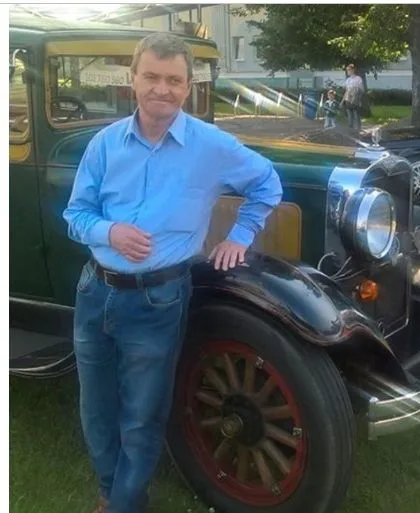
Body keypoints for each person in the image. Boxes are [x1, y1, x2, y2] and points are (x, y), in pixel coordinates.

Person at [63, 32, 282, 513]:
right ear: (132, 80)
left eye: (173, 80)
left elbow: (267, 182)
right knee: (95, 408)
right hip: (95, 291)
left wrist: (239, 236)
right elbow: (75, 215)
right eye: (151, 76)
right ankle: (110, 491)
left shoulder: (211, 146)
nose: (161, 88)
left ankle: (124, 505)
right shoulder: (104, 144)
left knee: (142, 415)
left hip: (157, 300)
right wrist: (109, 231)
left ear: (187, 86)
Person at [340, 63, 364, 134]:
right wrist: (342, 101)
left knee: (356, 116)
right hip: (348, 100)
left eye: (349, 70)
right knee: (350, 117)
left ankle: (358, 130)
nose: (347, 71)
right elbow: (347, 91)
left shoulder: (358, 79)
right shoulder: (348, 80)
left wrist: (359, 99)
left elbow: (362, 90)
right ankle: (350, 131)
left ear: (353, 70)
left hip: (356, 100)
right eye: (347, 70)